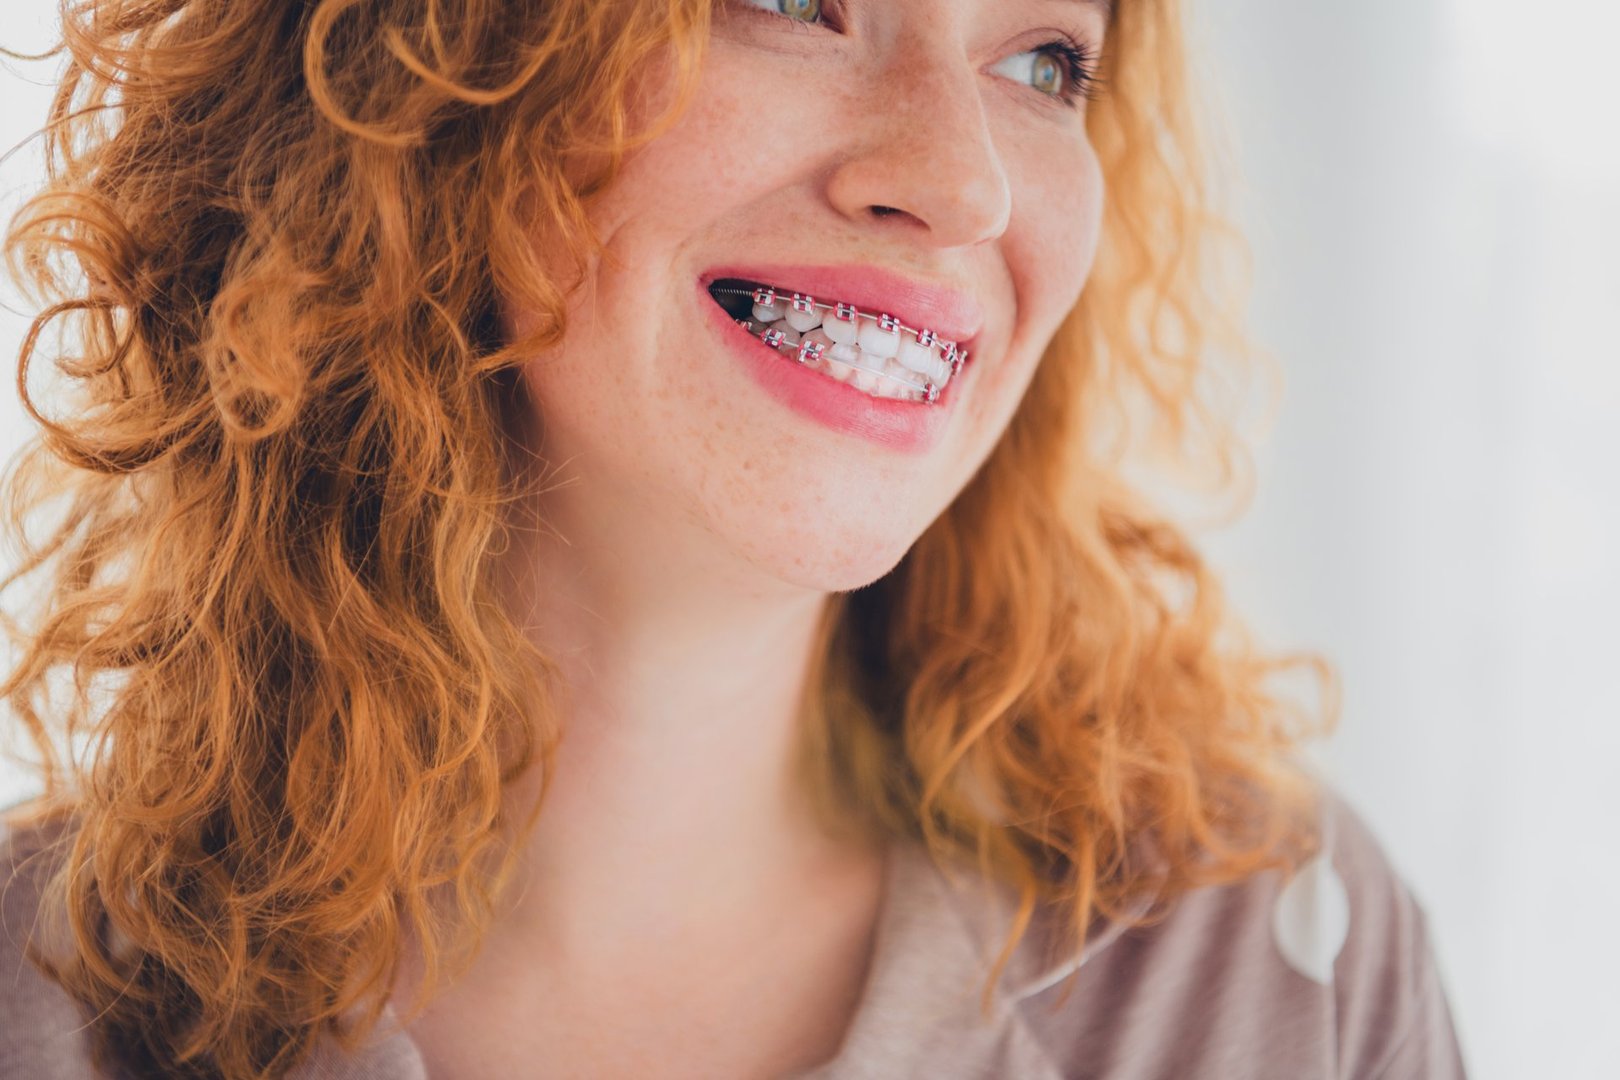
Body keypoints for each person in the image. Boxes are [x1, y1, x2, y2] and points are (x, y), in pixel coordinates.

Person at [0, 0, 1469, 1077]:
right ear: (431, 72)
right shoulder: (36, 1008)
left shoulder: (1270, 979)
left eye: (1043, 63)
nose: (965, 183)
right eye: (789, 2)